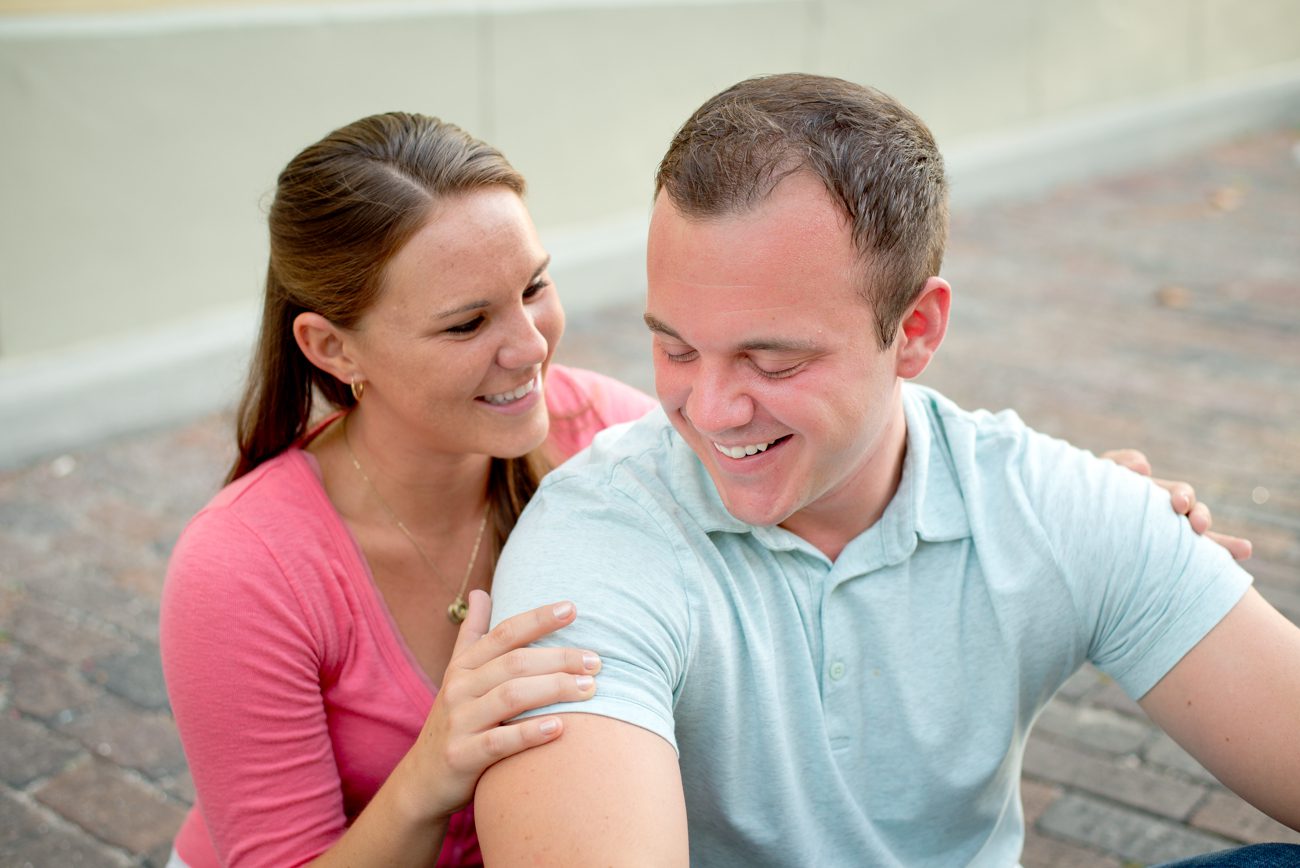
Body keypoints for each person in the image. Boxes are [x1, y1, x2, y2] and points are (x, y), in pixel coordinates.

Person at [474, 74, 1300, 865]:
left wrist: (1135, 543)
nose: (712, 407)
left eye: (774, 361)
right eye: (676, 347)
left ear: (915, 330)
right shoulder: (593, 544)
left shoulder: (1045, 501)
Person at [159, 113, 657, 867]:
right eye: (466, 324)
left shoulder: (610, 438)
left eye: (534, 286)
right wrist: (433, 770)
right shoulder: (240, 570)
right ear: (333, 347)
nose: (531, 347)